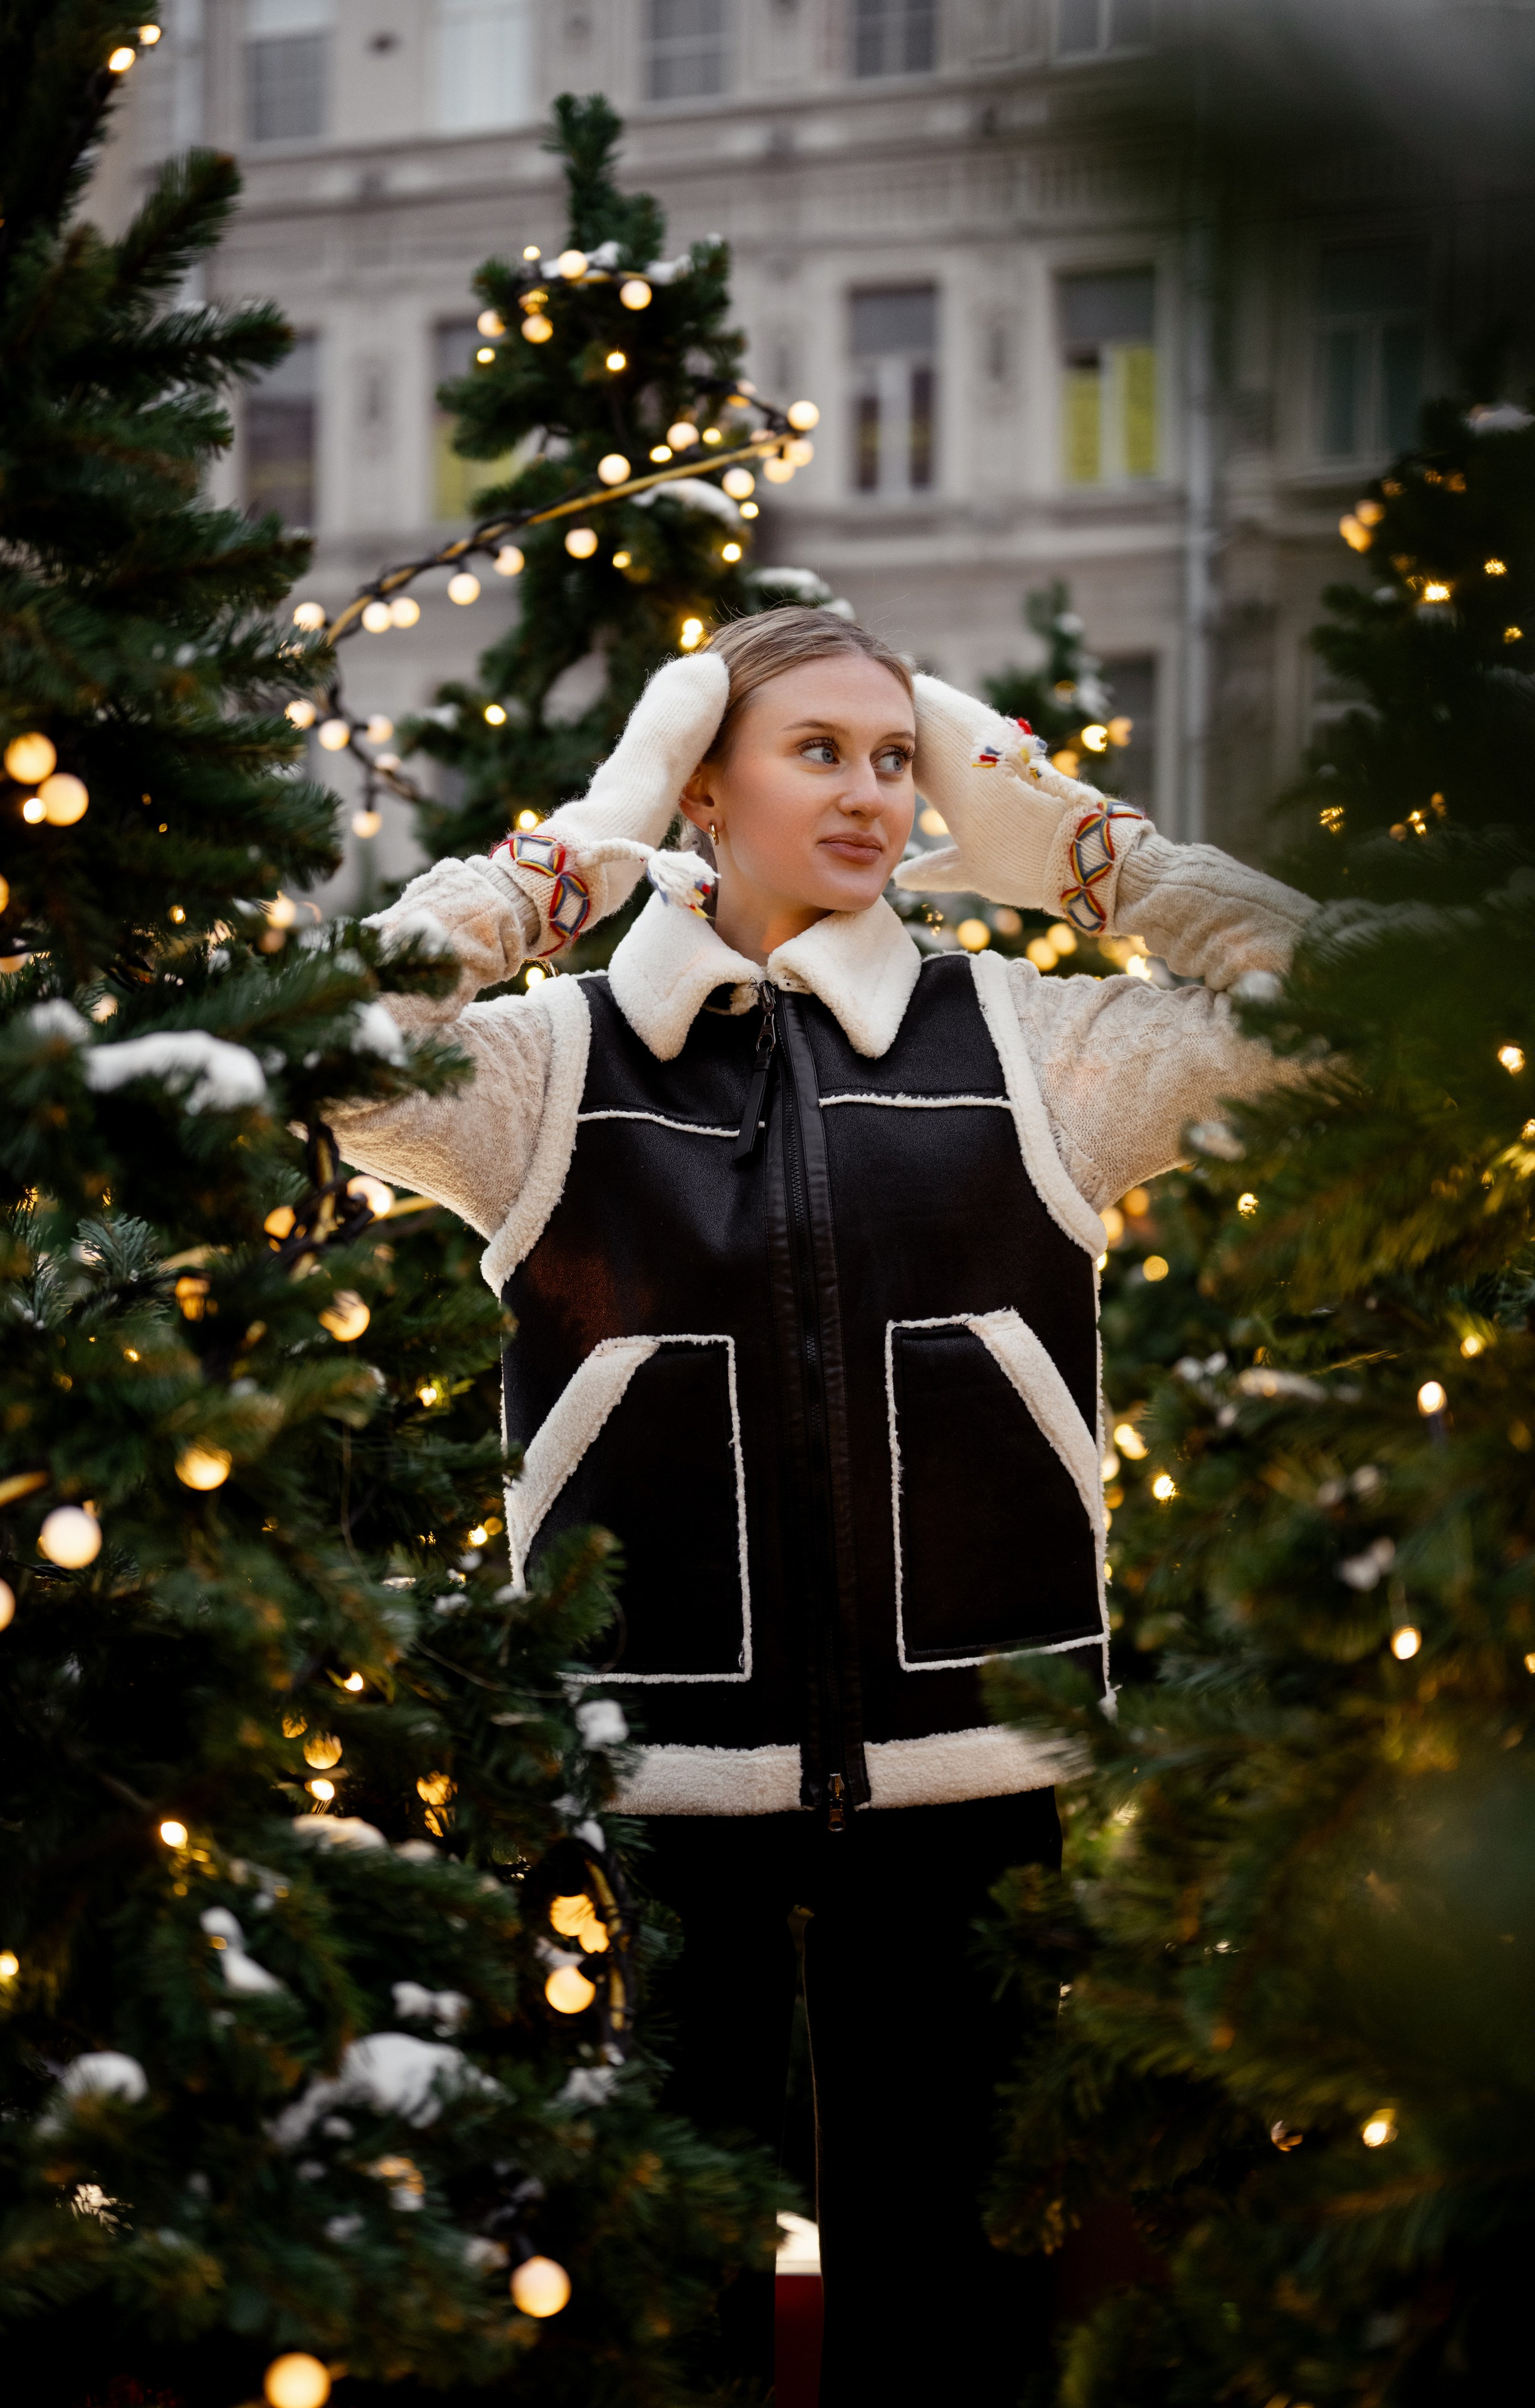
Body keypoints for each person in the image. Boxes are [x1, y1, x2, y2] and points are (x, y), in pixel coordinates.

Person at [332, 606, 1313, 2400]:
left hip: (975, 1793)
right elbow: (325, 1057)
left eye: (897, 755)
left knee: (954, 2326)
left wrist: (1101, 856)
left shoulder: (1034, 1043)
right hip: (648, 1806)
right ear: (701, 782)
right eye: (817, 751)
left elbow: (1364, 1032)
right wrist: (571, 854)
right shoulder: (552, 1065)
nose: (873, 792)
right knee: (647, 2323)